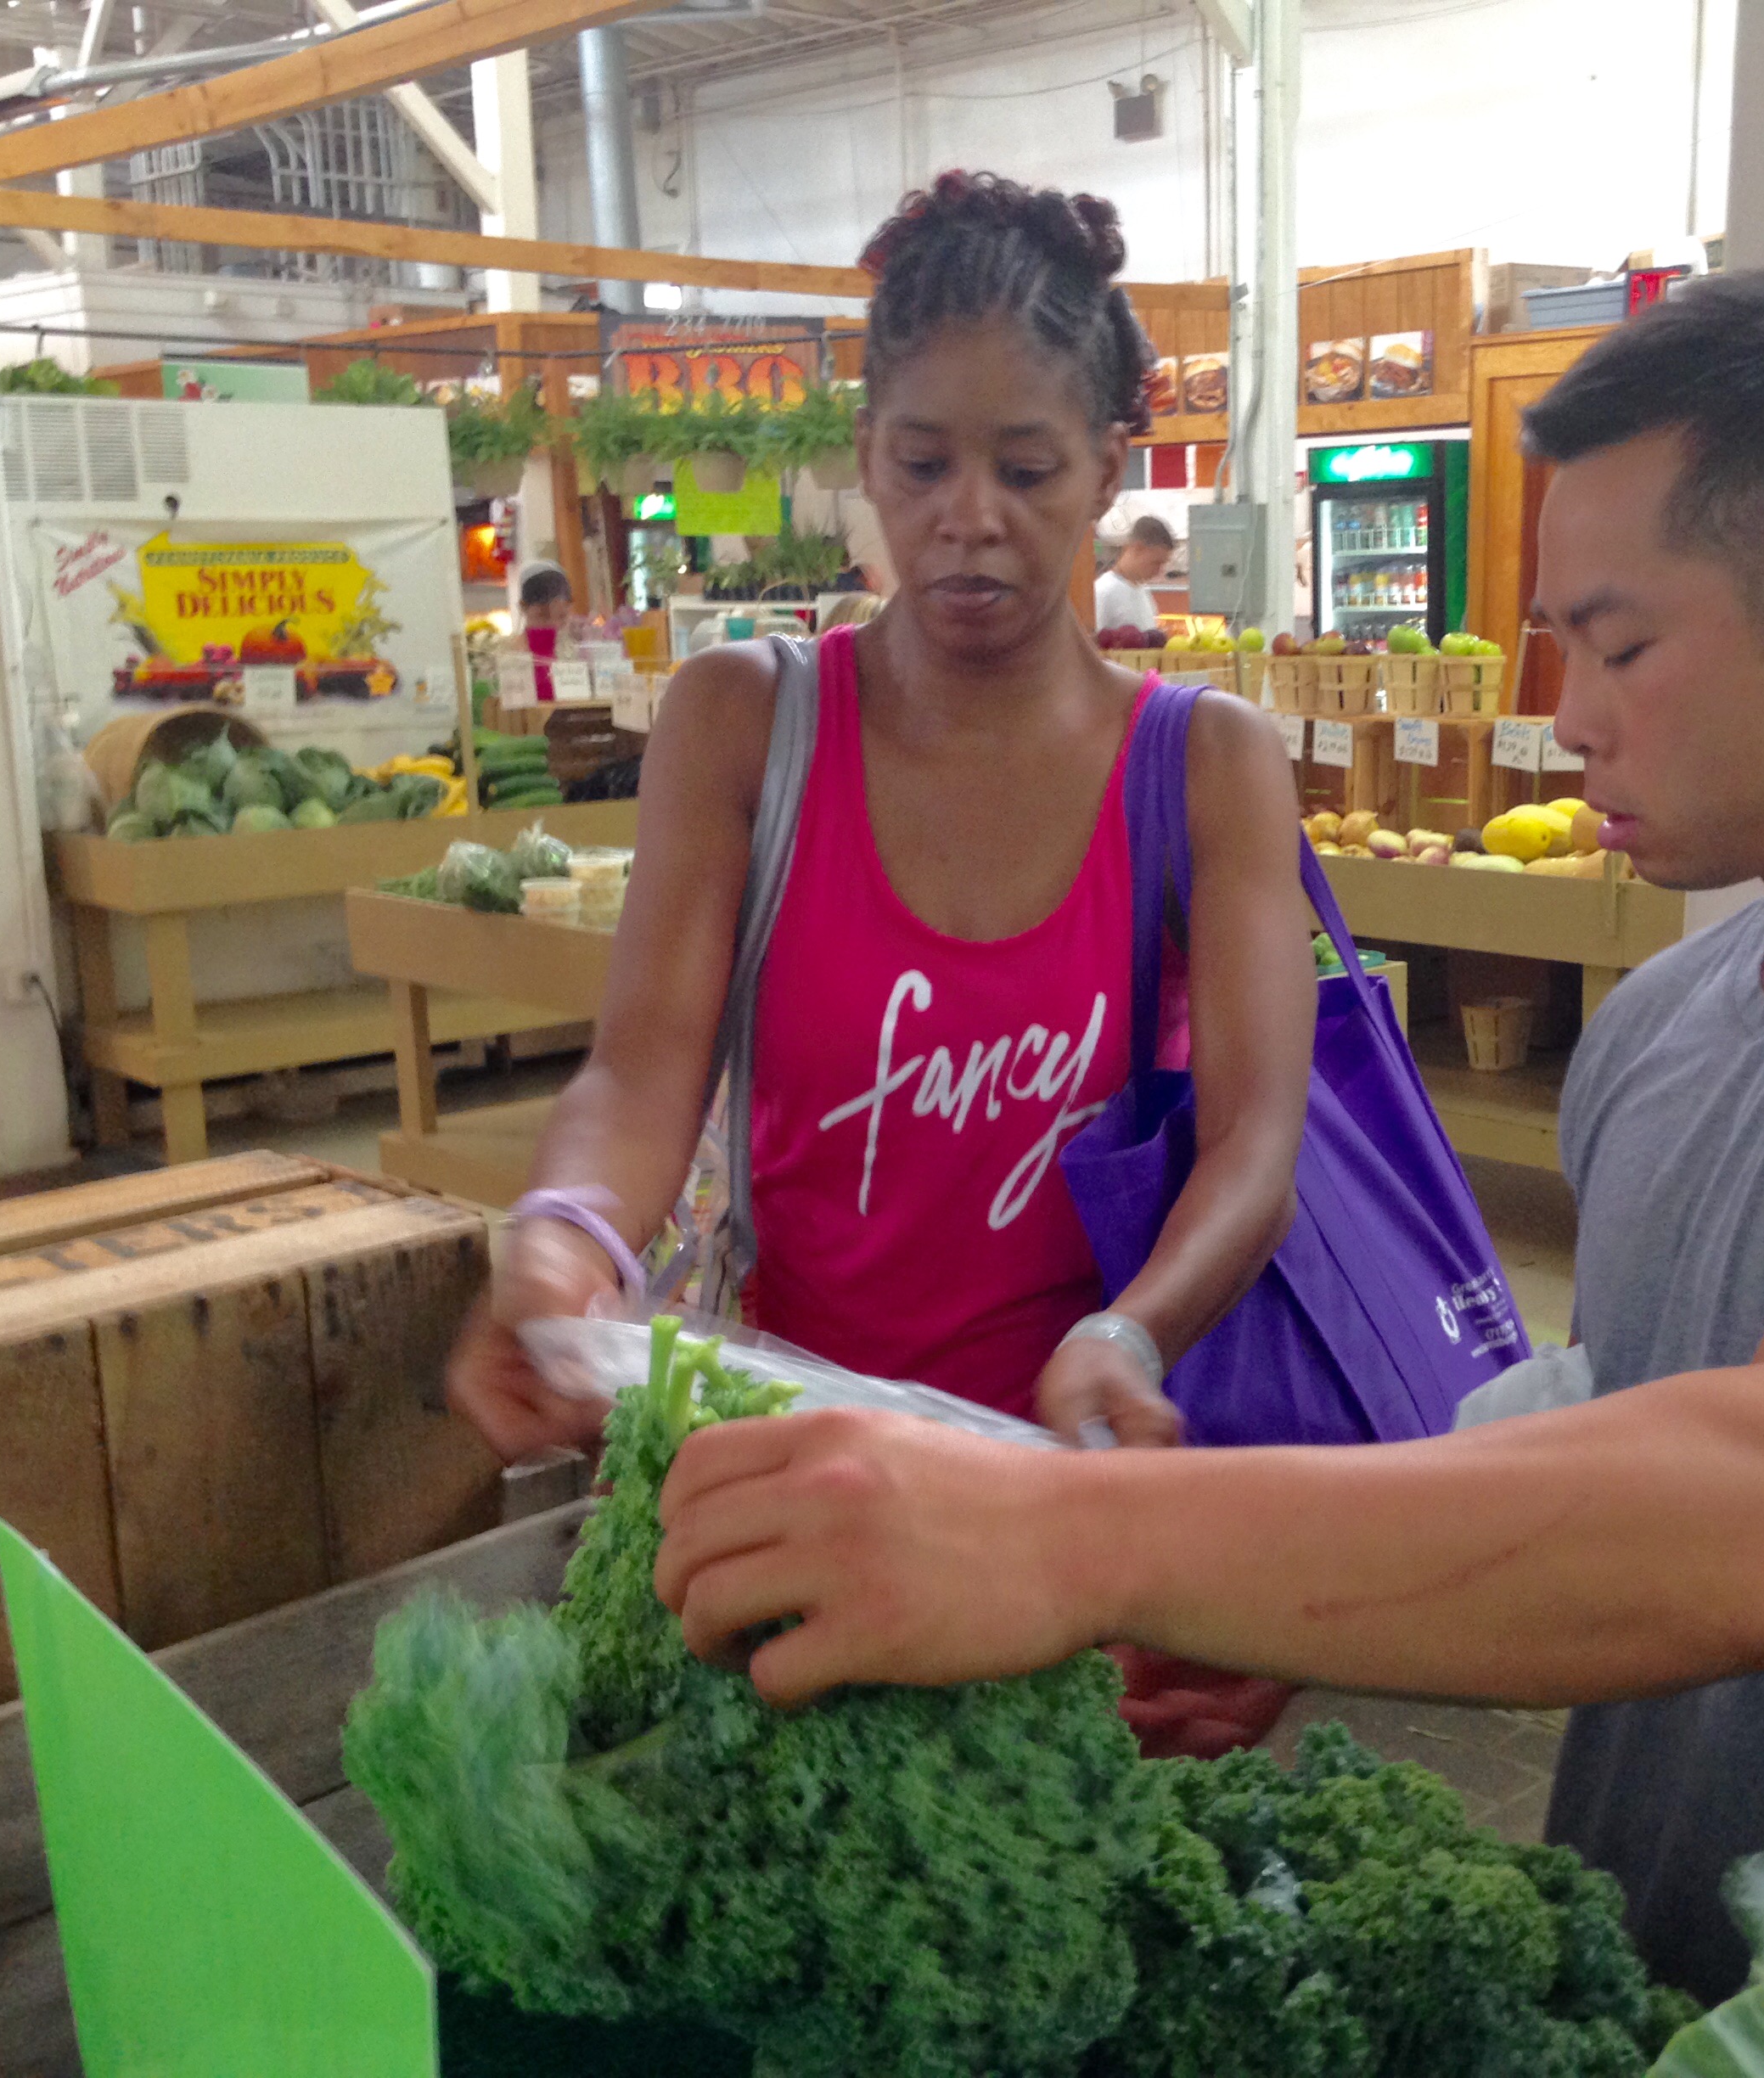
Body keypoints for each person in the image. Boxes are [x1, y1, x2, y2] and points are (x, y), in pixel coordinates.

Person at [646, 271, 1764, 1999]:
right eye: (1558, 648)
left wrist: (1055, 1542)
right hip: (1649, 1999)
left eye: (1621, 646)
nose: (1571, 711)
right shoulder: (1669, 1032)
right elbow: (1621, 1420)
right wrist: (1287, 1607)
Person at [447, 170, 1314, 1468]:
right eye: (922, 464)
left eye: (1027, 469)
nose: (970, 517)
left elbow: (1255, 1144)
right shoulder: (746, 725)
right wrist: (565, 1232)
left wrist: (1131, 1334)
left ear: (1102, 474)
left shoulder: (1202, 768)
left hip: (1073, 1481)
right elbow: (640, 1072)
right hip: (789, 1453)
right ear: (866, 459)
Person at [1093, 514, 1172, 632]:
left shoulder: (1142, 590)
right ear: (1137, 548)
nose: (1159, 572)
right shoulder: (1103, 592)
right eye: (1156, 563)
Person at [517, 563, 573, 701]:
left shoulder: (575, 652)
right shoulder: (509, 654)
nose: (553, 625)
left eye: (562, 617)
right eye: (542, 616)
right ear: (523, 608)